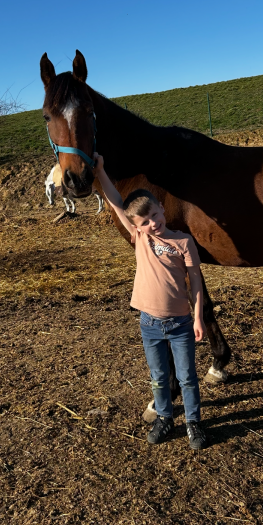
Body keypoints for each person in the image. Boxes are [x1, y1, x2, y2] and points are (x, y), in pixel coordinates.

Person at [93, 154, 207, 451]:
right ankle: (165, 418)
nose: (152, 224)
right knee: (159, 377)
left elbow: (195, 281)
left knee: (187, 377)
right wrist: (101, 171)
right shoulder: (140, 239)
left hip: (181, 322)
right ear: (137, 227)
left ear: (162, 209)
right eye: (144, 222)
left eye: (154, 216)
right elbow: (118, 202)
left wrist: (198, 317)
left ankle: (193, 422)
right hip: (149, 324)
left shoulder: (183, 242)